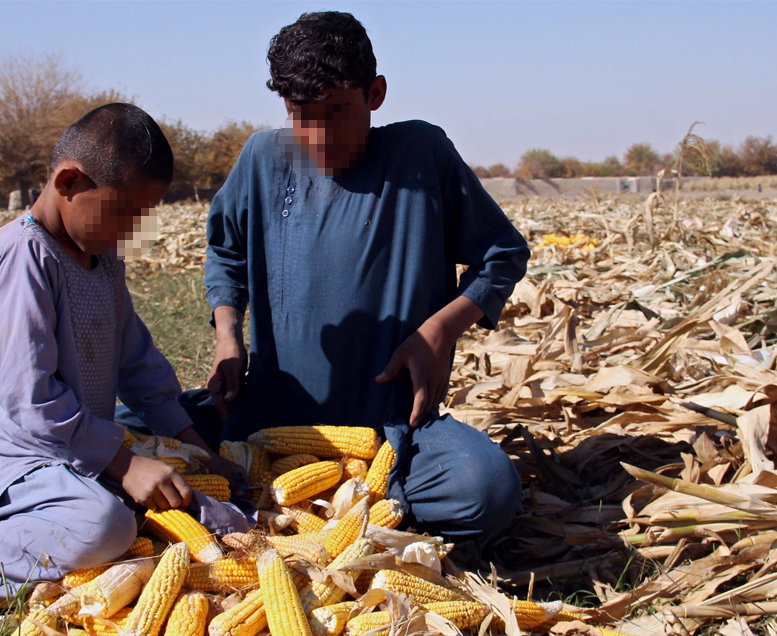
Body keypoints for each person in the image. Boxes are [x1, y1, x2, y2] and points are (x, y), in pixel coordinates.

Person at [0, 103, 249, 609]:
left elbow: (139, 367)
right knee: (104, 525)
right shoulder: (24, 256)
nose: (133, 231)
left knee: (183, 494)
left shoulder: (104, 261)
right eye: (125, 214)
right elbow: (30, 398)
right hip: (23, 464)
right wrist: (125, 464)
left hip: (82, 456)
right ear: (68, 182)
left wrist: (198, 449)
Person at [202, 12, 531, 541]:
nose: (319, 134)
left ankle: (353, 508)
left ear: (375, 94)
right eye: (301, 116)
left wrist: (439, 329)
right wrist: (227, 337)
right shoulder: (264, 159)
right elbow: (226, 253)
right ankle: (322, 509)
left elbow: (502, 254)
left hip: (391, 434)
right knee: (123, 431)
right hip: (269, 425)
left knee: (486, 490)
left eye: (338, 113)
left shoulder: (421, 155)